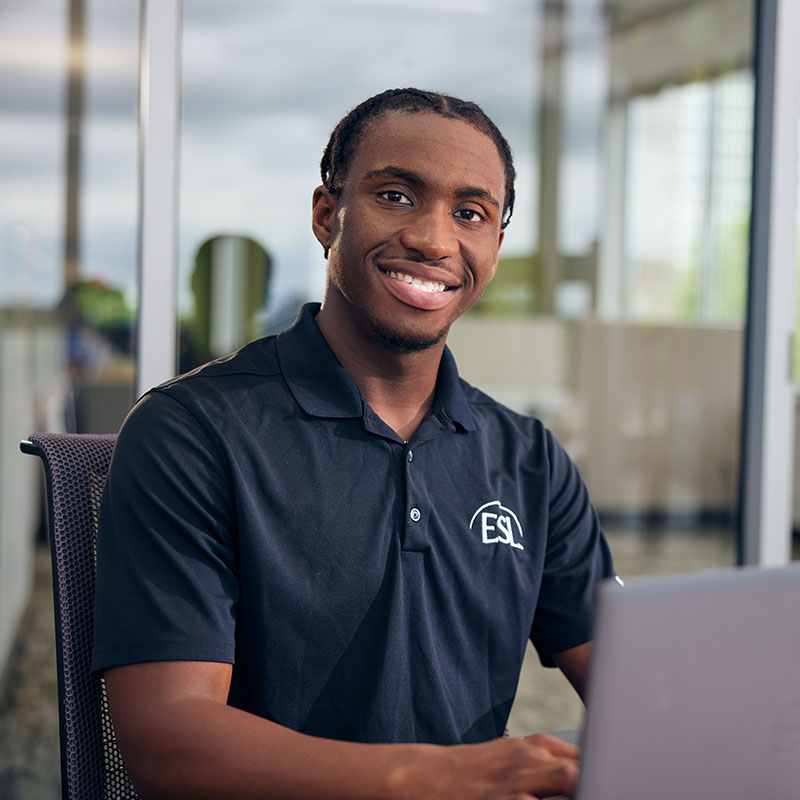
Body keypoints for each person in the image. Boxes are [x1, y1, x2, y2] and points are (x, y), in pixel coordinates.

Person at [93, 88, 615, 799]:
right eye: (396, 196)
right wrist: (440, 777)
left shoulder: (530, 459)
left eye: (470, 213)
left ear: (494, 246)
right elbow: (167, 740)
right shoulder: (191, 432)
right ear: (326, 215)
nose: (434, 240)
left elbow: (643, 691)